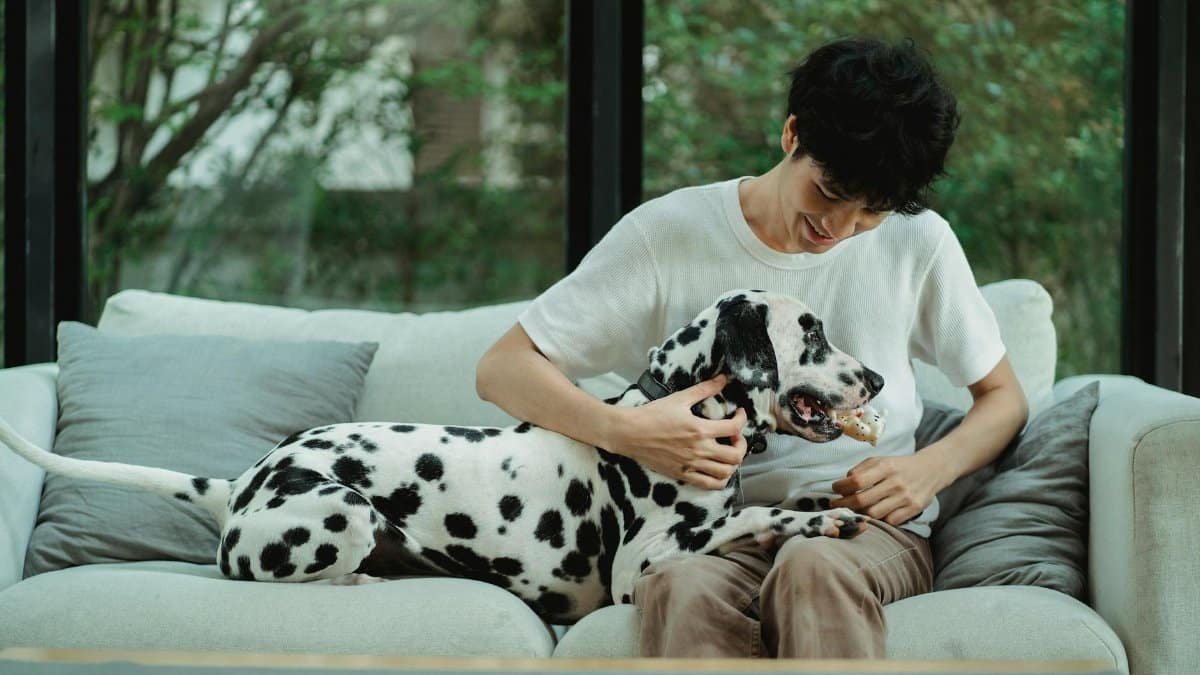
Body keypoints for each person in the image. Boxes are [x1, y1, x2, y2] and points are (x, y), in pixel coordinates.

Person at [475, 37, 1029, 659]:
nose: (838, 230)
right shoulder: (667, 235)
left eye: (870, 211)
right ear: (792, 135)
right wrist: (625, 431)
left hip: (860, 528)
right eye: (828, 192)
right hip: (704, 530)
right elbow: (503, 369)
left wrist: (931, 468)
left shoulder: (920, 244)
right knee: (679, 586)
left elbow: (1003, 397)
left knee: (812, 567)